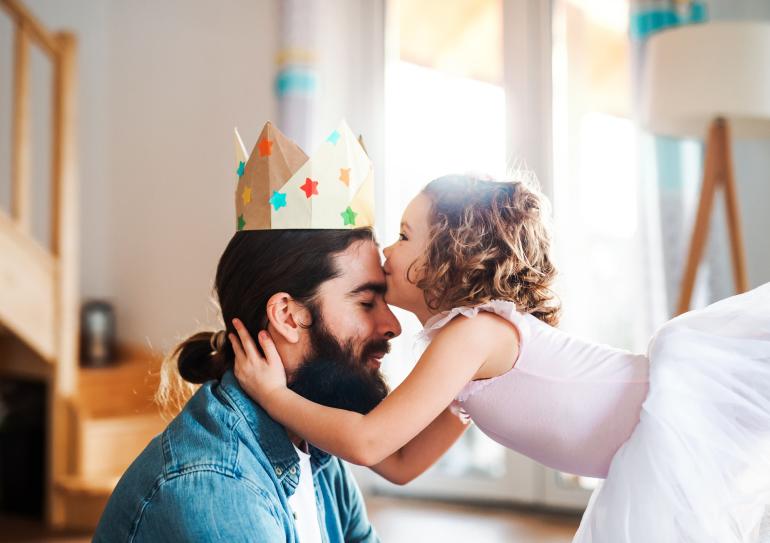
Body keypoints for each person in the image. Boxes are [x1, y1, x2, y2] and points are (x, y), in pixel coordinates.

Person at [232, 173, 770, 542]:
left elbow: (369, 440)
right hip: (647, 445)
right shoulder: (463, 355)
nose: (385, 253)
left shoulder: (474, 335)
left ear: (452, 253)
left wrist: (273, 395)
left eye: (403, 235)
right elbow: (397, 464)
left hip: (671, 415)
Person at [94, 121, 469, 541]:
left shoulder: (315, 440)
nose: (393, 325)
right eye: (366, 302)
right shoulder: (217, 488)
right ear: (287, 316)